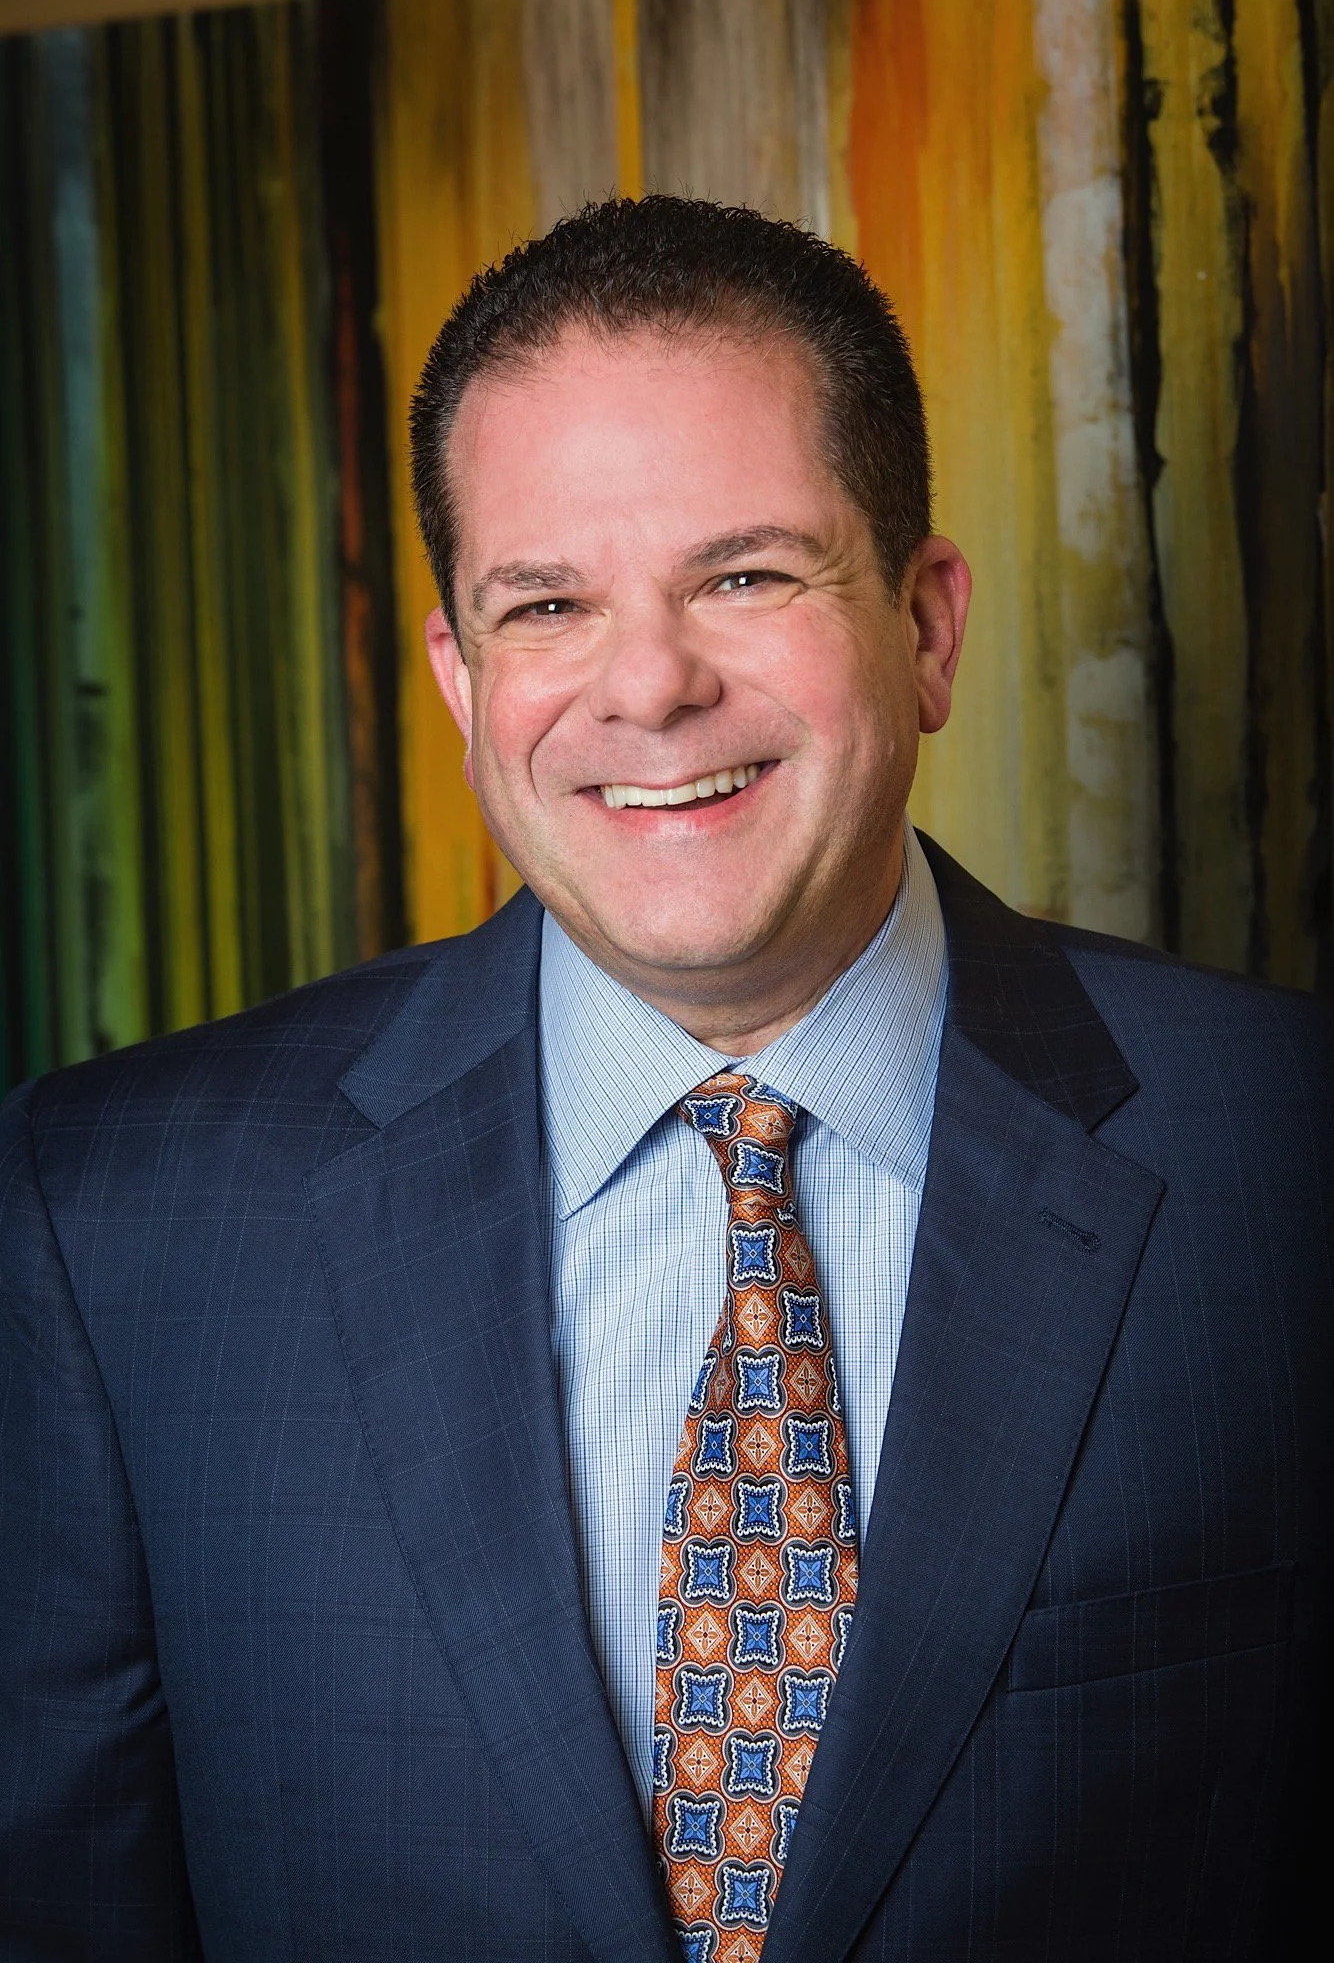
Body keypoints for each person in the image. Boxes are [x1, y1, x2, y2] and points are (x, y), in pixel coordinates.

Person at [1, 197, 1329, 1963]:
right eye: (547, 603)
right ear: (462, 683)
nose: (650, 685)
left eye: (746, 574)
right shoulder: (113, 1216)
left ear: (926, 630)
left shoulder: (1284, 1151)